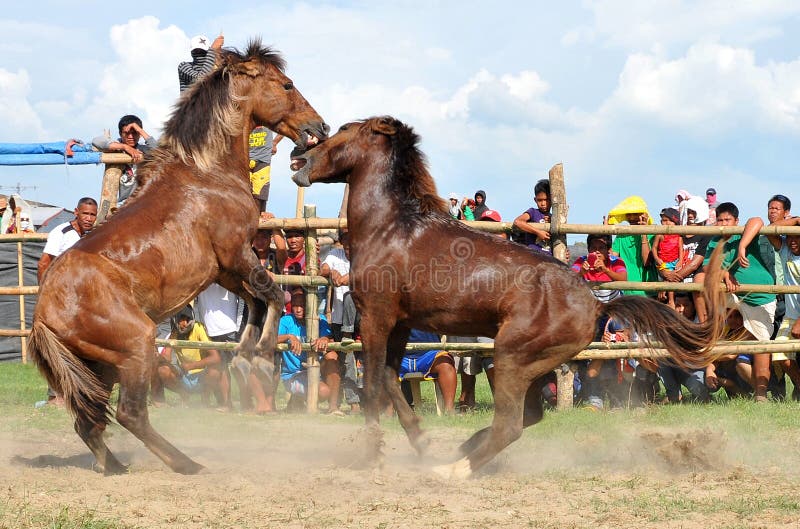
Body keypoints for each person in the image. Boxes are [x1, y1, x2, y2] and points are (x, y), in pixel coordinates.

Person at [703, 202, 776, 401]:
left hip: (760, 297)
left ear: (736, 220)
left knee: (761, 344)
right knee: (700, 280)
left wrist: (743, 245)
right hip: (732, 295)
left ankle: (761, 394)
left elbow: (758, 220)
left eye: (728, 220)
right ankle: (705, 324)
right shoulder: (715, 241)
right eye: (720, 220)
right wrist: (725, 274)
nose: (724, 224)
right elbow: (708, 269)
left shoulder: (745, 232)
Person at [572, 234, 627, 410]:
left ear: (608, 250)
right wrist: (582, 272)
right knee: (590, 354)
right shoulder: (581, 261)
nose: (597, 251)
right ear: (588, 249)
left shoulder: (616, 262)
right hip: (590, 314)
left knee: (614, 353)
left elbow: (623, 280)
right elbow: (570, 280)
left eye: (601, 248)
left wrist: (605, 270)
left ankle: (617, 400)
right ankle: (594, 398)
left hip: (613, 312)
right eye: (593, 248)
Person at [277, 290, 341, 414]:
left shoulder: (319, 318)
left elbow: (329, 338)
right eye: (295, 305)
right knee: (323, 392)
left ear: (309, 305)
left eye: (302, 305)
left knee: (332, 356)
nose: (298, 309)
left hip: (316, 368)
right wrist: (289, 337)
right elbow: (271, 339)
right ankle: (297, 398)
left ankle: (333, 408)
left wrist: (324, 338)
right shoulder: (286, 320)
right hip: (294, 373)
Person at [153, 305, 224, 406]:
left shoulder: (198, 328)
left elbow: (216, 358)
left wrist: (192, 366)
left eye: (188, 319)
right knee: (162, 370)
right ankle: (184, 394)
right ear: (176, 320)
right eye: (182, 319)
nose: (185, 323)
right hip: (183, 375)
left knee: (215, 372)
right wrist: (158, 356)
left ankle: (205, 397)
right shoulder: (175, 332)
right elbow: (167, 357)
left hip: (201, 376)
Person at [763, 209, 800, 399]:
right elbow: (769, 230)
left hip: (798, 318)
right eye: (790, 237)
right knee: (779, 354)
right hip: (791, 316)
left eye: (797, 237)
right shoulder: (786, 248)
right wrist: (796, 221)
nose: (792, 241)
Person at [91, 115, 158, 205]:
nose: (131, 136)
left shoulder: (144, 150)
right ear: (120, 133)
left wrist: (140, 130)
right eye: (127, 133)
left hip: (142, 201)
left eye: (134, 133)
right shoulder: (115, 147)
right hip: (123, 203)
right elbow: (96, 141)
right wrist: (125, 147)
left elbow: (160, 150)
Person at [195, 283, 241, 411]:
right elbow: (194, 296)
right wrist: (199, 322)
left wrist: (237, 325)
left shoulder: (229, 271)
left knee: (229, 367)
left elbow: (242, 298)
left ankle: (229, 403)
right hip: (208, 326)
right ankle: (221, 402)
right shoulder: (203, 270)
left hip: (229, 326)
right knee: (217, 368)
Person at [657, 292, 710, 403]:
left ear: (694, 305)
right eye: (678, 305)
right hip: (678, 366)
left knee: (697, 387)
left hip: (697, 369)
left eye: (686, 305)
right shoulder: (671, 321)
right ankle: (674, 394)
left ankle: (705, 397)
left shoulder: (701, 321)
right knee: (661, 358)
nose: (681, 309)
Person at [37, 197, 98, 283]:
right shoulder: (61, 232)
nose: (88, 219)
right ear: (76, 212)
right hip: (62, 287)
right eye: (85, 213)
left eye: (92, 215)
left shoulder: (93, 235)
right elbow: (43, 264)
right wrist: (43, 290)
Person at [607, 195, 657, 297]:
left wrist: (644, 232)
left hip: (649, 293)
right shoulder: (622, 235)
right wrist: (606, 233)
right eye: (629, 214)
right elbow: (611, 258)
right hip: (627, 293)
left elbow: (647, 262)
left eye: (635, 214)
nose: (632, 218)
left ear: (644, 215)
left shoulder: (653, 233)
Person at [399, 329, 457, 414]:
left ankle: (450, 411)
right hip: (399, 355)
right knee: (383, 365)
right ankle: (387, 417)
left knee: (446, 363)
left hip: (430, 353)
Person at [248, 126, 284, 217]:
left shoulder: (267, 118)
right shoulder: (245, 116)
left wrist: (275, 143)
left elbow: (283, 127)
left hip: (263, 158)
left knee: (261, 189)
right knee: (242, 189)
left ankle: (260, 214)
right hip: (244, 157)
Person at [652, 207, 684, 307]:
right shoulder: (660, 234)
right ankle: (667, 301)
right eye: (662, 221)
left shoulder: (678, 235)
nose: (664, 223)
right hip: (664, 262)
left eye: (667, 221)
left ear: (674, 221)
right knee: (664, 279)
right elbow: (654, 248)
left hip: (675, 261)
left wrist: (680, 261)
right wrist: (657, 260)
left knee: (671, 279)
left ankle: (671, 301)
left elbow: (680, 250)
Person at [513, 178, 551, 253]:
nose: (543, 204)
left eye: (546, 200)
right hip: (533, 256)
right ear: (535, 200)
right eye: (540, 200)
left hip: (550, 259)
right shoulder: (533, 212)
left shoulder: (555, 218)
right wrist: (538, 232)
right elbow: (518, 221)